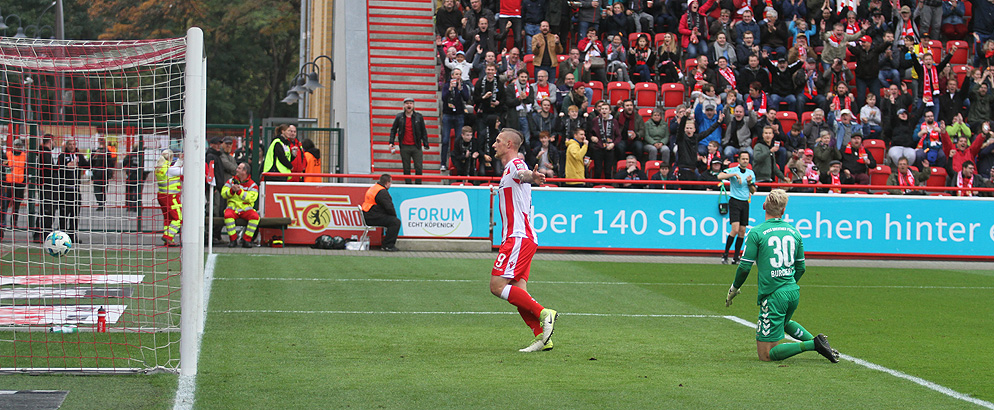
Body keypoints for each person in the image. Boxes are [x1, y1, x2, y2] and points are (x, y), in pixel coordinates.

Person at [724, 189, 840, 363]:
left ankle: (813, 344)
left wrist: (734, 288)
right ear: (783, 211)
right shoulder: (794, 232)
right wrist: (787, 283)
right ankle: (821, 344)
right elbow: (801, 267)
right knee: (784, 322)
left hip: (773, 296)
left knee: (766, 355)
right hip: (792, 291)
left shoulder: (756, 232)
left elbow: (744, 268)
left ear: (764, 206)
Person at [488, 128, 558, 353]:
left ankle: (544, 313)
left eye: (498, 141)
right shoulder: (508, 170)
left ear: (509, 144)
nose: (494, 145)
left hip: (518, 237)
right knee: (518, 292)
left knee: (497, 286)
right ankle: (542, 337)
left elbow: (523, 173)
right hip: (522, 237)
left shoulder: (515, 164)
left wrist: (533, 177)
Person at [717, 152, 756, 264]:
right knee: (735, 229)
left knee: (742, 231)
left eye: (747, 159)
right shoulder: (733, 170)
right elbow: (719, 176)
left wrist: (749, 183)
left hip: (745, 202)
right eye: (743, 159)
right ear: (738, 160)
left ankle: (736, 257)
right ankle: (725, 254)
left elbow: (753, 191)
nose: (745, 161)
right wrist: (733, 175)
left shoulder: (750, 173)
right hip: (735, 201)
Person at [389, 97, 431, 184]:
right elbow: (393, 130)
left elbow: (423, 130)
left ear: (413, 105)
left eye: (410, 103)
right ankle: (408, 184)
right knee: (406, 167)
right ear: (404, 105)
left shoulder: (419, 117)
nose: (409, 105)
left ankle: (418, 185)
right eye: (407, 103)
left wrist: (425, 143)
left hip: (416, 146)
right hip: (404, 146)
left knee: (418, 167)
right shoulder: (399, 117)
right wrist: (391, 142)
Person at [56, 139, 89, 243]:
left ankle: (72, 235)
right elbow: (57, 169)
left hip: (75, 189)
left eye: (73, 144)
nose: (71, 146)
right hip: (64, 189)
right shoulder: (62, 156)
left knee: (75, 214)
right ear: (66, 145)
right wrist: (66, 166)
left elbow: (87, 165)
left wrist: (94, 156)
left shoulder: (79, 156)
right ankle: (62, 235)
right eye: (70, 144)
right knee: (64, 213)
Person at [222, 163, 260, 248]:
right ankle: (233, 240)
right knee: (227, 215)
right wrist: (231, 191)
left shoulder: (253, 185)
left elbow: (251, 198)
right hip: (232, 208)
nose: (236, 169)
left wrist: (239, 192)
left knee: (255, 217)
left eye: (239, 168)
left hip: (246, 209)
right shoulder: (230, 181)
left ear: (244, 171)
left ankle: (246, 240)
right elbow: (223, 193)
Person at [361, 174, 401, 252]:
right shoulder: (382, 192)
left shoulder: (374, 188)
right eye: (390, 183)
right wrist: (394, 216)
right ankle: (388, 245)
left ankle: (386, 245)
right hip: (372, 217)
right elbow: (389, 207)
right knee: (395, 222)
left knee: (392, 221)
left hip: (368, 215)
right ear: (387, 183)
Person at [154, 149, 182, 246]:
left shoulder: (161, 167)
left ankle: (168, 240)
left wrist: (180, 160)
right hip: (171, 197)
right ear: (170, 157)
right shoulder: (170, 169)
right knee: (178, 218)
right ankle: (168, 236)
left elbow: (174, 169)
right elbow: (182, 171)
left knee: (168, 219)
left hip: (162, 196)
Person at [0, 139, 27, 239]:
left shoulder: (24, 156)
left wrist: (25, 182)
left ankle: (14, 223)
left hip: (20, 183)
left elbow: (26, 169)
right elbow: (4, 167)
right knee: (5, 204)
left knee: (17, 205)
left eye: (19, 145)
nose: (18, 147)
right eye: (16, 145)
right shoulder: (7, 154)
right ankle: (3, 223)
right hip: (9, 183)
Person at [33, 135, 56, 242]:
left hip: (44, 184)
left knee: (45, 209)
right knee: (47, 209)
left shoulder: (42, 152)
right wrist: (60, 168)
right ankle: (43, 233)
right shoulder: (45, 153)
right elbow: (49, 169)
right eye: (54, 141)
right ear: (50, 141)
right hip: (46, 185)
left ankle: (41, 232)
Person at [90, 137, 115, 212]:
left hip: (97, 172)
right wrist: (111, 172)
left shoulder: (95, 151)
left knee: (97, 188)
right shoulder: (107, 152)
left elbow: (91, 162)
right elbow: (111, 163)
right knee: (103, 188)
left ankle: (100, 202)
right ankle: (102, 202)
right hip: (104, 172)